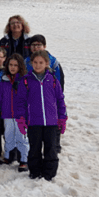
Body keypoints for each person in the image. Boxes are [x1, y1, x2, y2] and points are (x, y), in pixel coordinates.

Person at [24, 50, 67, 181]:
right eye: (35, 62)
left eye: (41, 62)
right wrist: (21, 119)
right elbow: (21, 101)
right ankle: (35, 172)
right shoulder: (26, 81)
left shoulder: (53, 81)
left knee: (51, 149)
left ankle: (49, 173)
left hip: (51, 122)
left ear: (47, 63)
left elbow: (60, 100)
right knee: (34, 148)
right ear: (31, 63)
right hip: (34, 122)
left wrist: (62, 118)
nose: (38, 65)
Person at [0, 53, 29, 171]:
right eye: (11, 65)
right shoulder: (4, 81)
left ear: (20, 66)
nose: (13, 67)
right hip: (7, 114)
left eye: (16, 65)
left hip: (21, 115)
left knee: (22, 137)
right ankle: (8, 156)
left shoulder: (24, 81)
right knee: (8, 136)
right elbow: (0, 97)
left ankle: (24, 160)